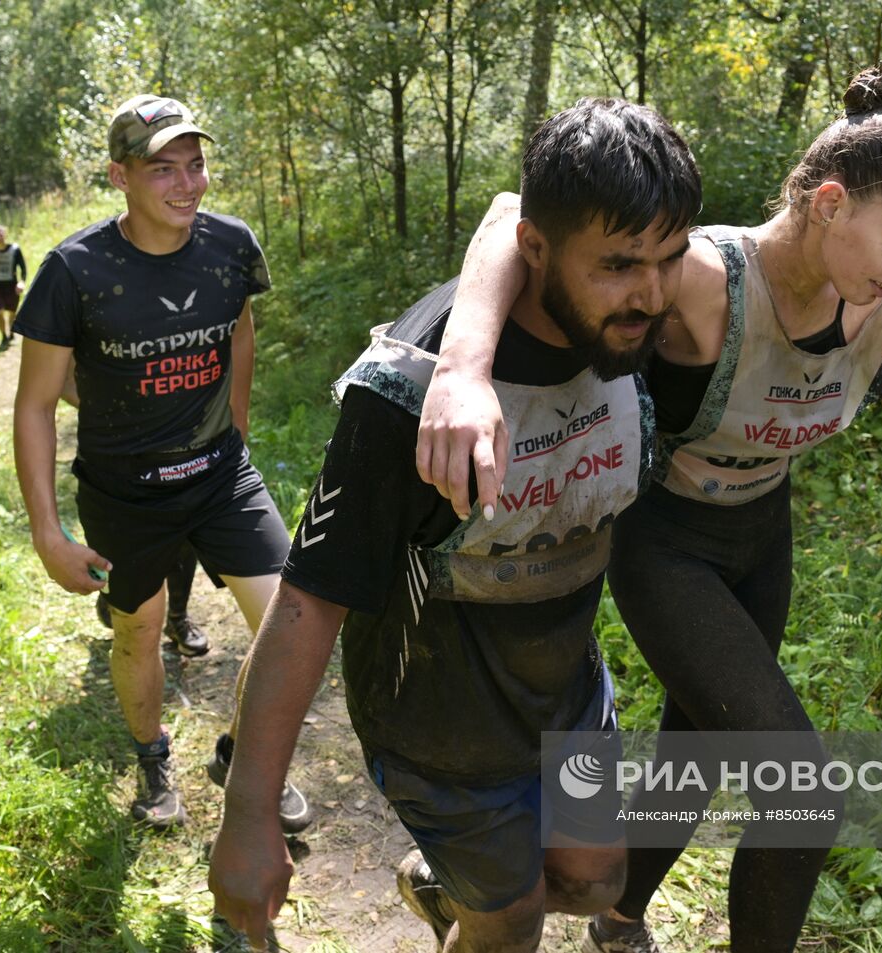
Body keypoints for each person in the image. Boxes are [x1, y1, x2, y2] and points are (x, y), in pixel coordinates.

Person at [414, 68, 882, 953]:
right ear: (829, 204)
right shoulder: (707, 278)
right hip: (665, 545)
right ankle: (489, 892)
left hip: (759, 540)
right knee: (805, 796)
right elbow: (514, 219)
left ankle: (609, 919)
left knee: (696, 757)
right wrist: (464, 367)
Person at [207, 98, 703, 953]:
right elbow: (306, 605)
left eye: (669, 259)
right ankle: (480, 906)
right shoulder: (409, 391)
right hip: (437, 726)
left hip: (569, 702)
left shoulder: (641, 321)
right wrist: (249, 815)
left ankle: (450, 893)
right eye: (621, 265)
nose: (652, 294)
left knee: (594, 882)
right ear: (538, 253)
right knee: (509, 926)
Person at [12, 94, 309, 833]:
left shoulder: (231, 245)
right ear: (119, 175)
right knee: (138, 632)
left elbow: (239, 330)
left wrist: (235, 431)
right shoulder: (73, 271)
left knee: (292, 624)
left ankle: (246, 756)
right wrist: (48, 534)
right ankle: (153, 758)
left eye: (197, 164)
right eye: (163, 169)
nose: (187, 184)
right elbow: (35, 405)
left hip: (219, 474)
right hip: (123, 493)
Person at [58, 362, 213, 656]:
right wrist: (123, 416)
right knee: (119, 538)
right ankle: (116, 596)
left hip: (181, 447)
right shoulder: (89, 316)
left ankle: (178, 620)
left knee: (185, 536)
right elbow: (61, 380)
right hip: (115, 456)